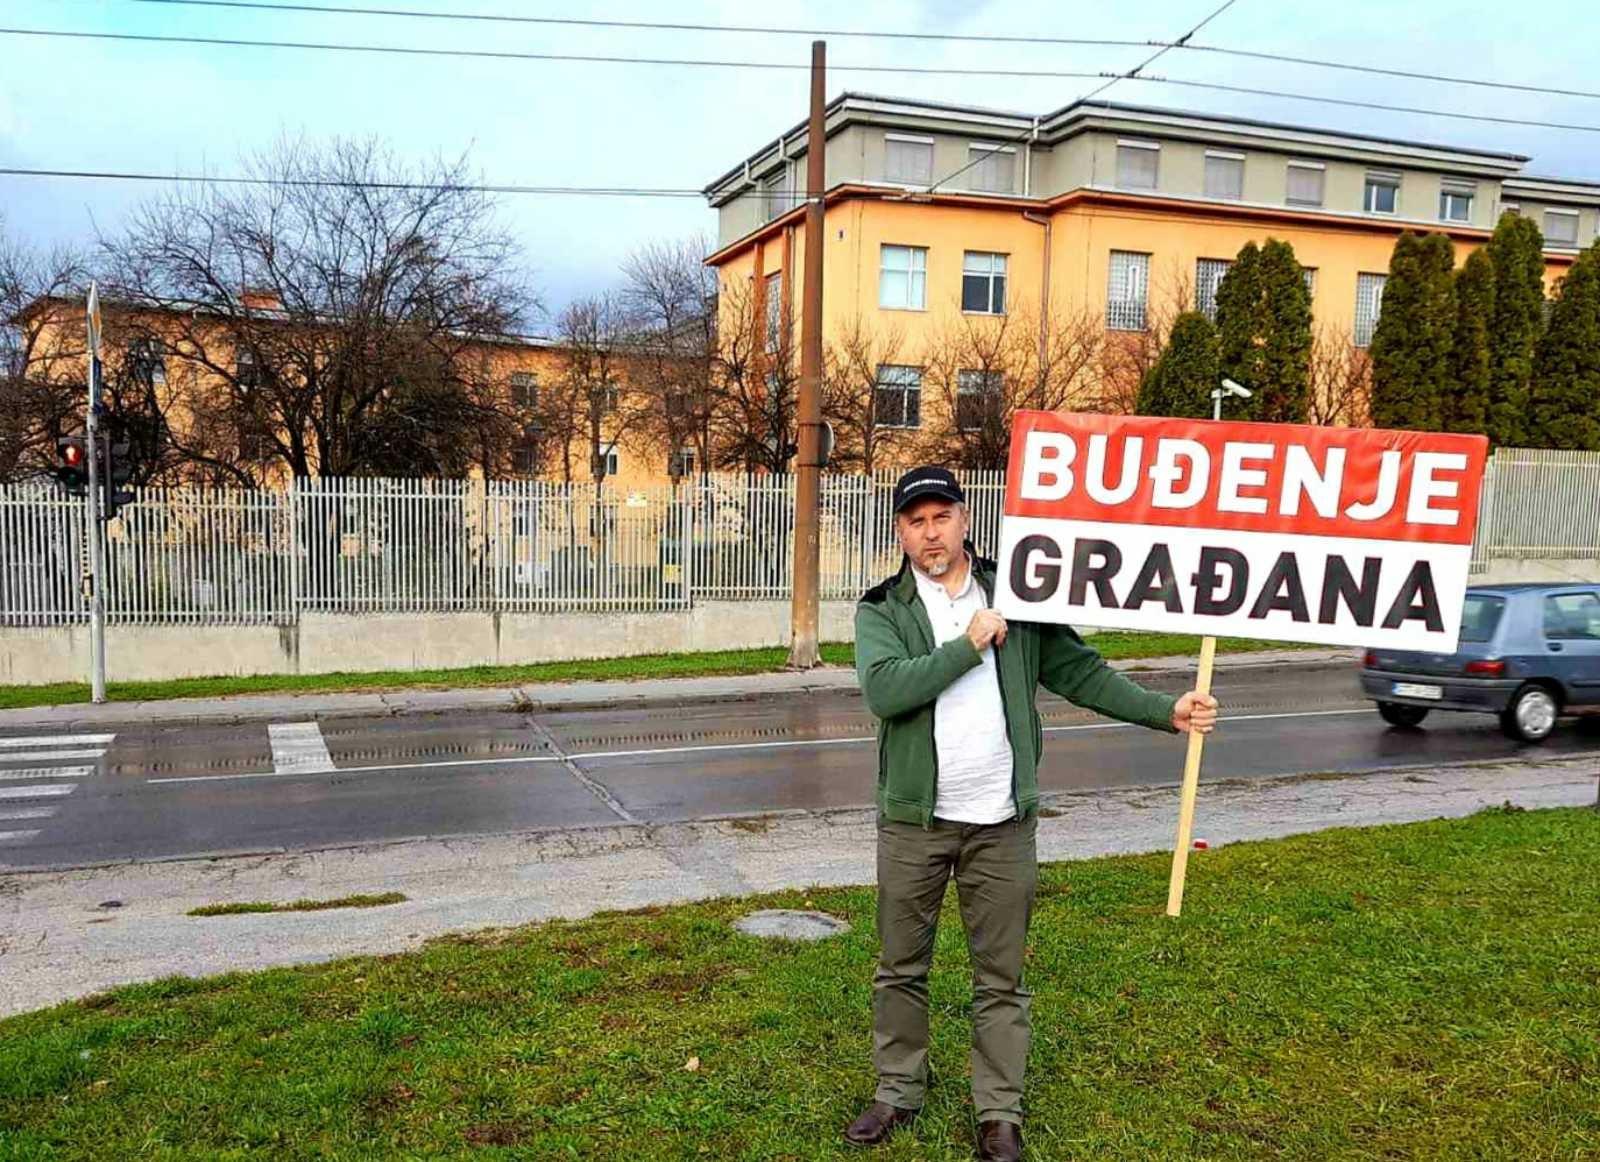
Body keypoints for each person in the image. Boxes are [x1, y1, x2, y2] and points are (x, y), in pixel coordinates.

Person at [844, 465, 1219, 1162]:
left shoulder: (1021, 594)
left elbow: (1082, 671)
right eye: (916, 521)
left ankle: (999, 1113)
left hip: (1002, 825)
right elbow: (885, 691)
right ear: (900, 532)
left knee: (1002, 977)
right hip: (913, 824)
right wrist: (969, 644)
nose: (931, 532)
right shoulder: (881, 610)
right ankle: (897, 1091)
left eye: (942, 517)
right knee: (900, 967)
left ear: (965, 520)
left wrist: (1165, 712)